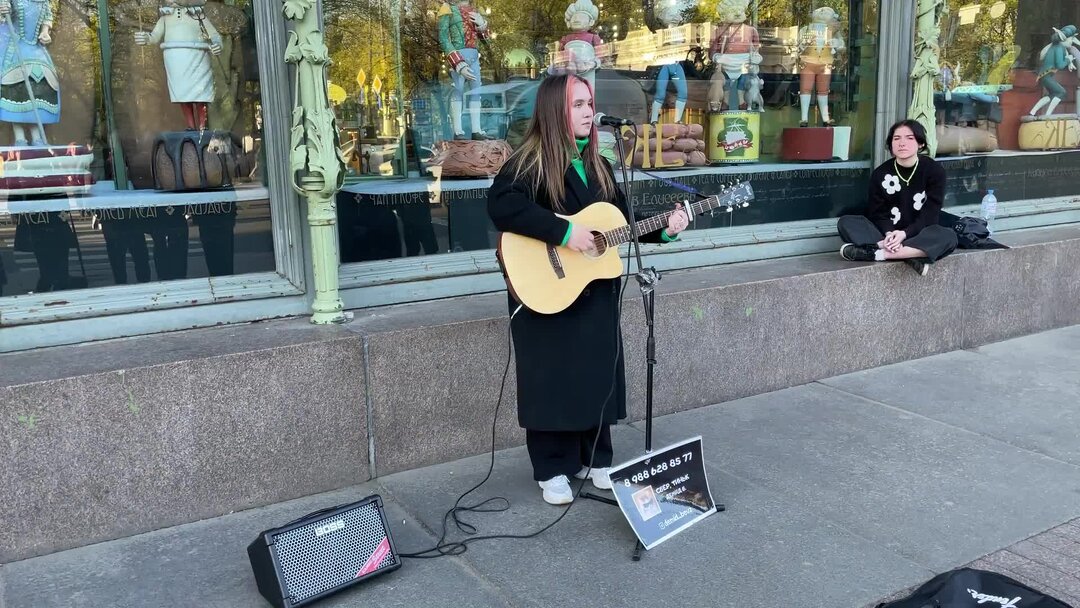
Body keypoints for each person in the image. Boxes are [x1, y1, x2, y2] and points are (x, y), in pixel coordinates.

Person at [487, 74, 689, 505]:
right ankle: (552, 467)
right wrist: (563, 232)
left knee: (597, 371)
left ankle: (597, 458)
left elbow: (622, 223)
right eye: (577, 104)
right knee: (551, 376)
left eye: (589, 103)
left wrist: (666, 230)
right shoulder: (529, 162)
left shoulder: (600, 164)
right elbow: (502, 205)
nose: (586, 112)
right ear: (554, 110)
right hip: (547, 288)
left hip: (594, 290)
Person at [837, 119, 957, 276]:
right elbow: (878, 213)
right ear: (891, 144)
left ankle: (879, 253)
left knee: (948, 237)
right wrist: (889, 234)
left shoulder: (934, 171)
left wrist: (904, 234)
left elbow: (930, 214)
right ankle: (908, 256)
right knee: (846, 222)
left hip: (918, 233)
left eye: (909, 138)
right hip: (885, 235)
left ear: (920, 143)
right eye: (896, 138)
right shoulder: (880, 173)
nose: (902, 143)